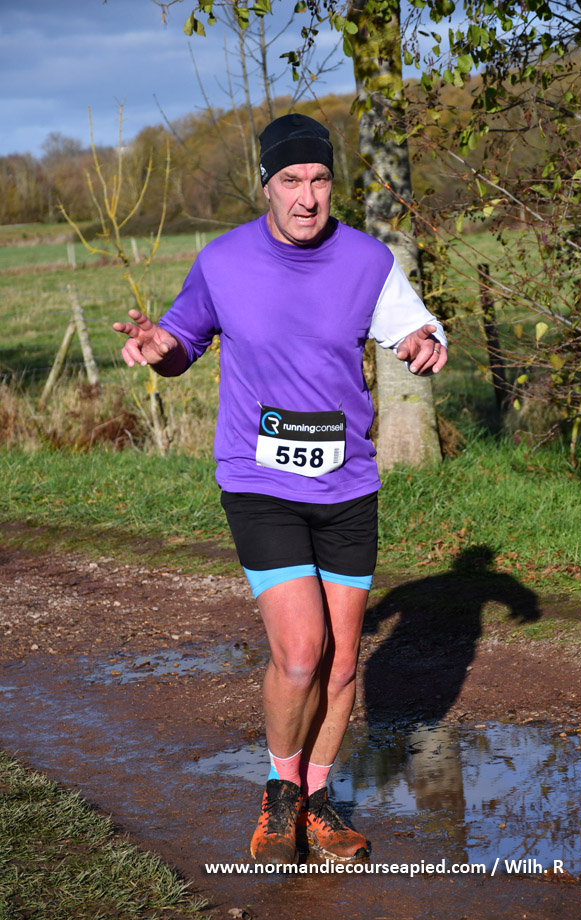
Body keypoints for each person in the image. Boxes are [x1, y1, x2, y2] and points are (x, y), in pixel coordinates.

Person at [113, 113, 448, 865]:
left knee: (342, 663)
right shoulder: (224, 261)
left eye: (320, 179)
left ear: (333, 183)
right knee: (300, 655)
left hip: (346, 483)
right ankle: (279, 793)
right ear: (265, 184)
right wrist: (159, 347)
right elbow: (180, 342)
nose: (307, 197)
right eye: (291, 180)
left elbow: (415, 328)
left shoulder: (365, 260)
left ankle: (319, 799)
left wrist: (425, 343)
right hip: (259, 479)